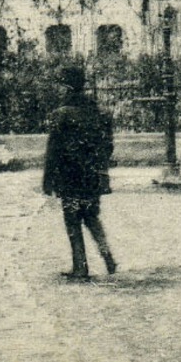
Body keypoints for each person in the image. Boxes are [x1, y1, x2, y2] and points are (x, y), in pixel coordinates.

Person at [43, 63, 118, 281]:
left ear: (66, 88)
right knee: (91, 216)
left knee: (73, 220)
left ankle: (81, 266)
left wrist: (49, 180)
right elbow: (108, 146)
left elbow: (53, 150)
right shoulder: (98, 113)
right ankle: (108, 257)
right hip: (93, 176)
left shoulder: (61, 114)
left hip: (70, 176)